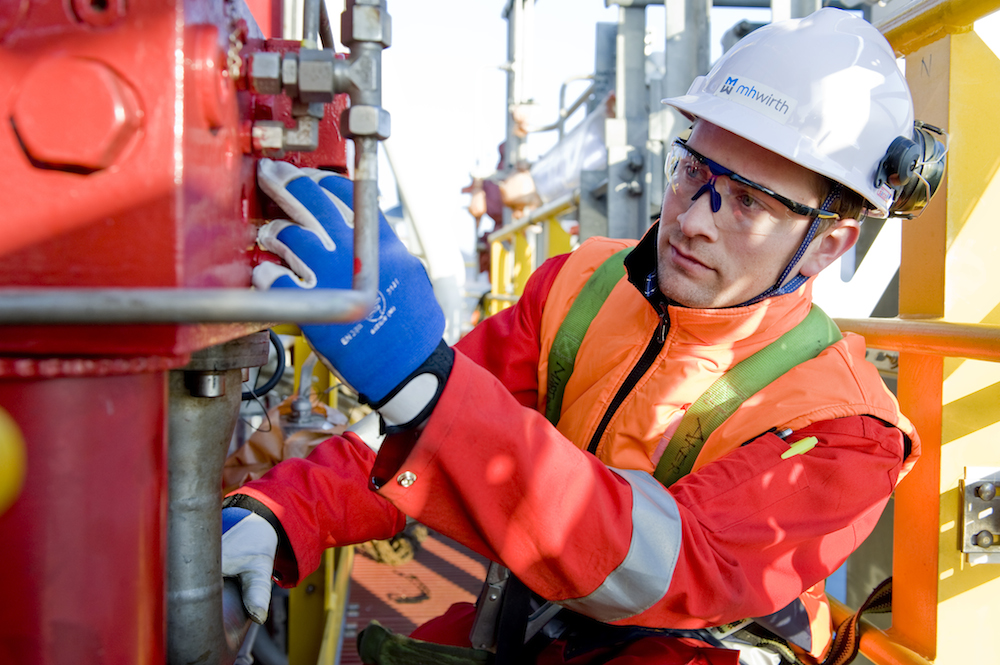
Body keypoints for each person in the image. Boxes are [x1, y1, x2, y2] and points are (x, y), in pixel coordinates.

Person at [220, 9, 946, 665]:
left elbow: (671, 568)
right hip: (543, 629)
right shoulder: (583, 286)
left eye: (749, 203)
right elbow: (429, 431)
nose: (695, 218)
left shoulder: (845, 430)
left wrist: (423, 381)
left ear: (827, 245)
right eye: (694, 170)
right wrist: (286, 511)